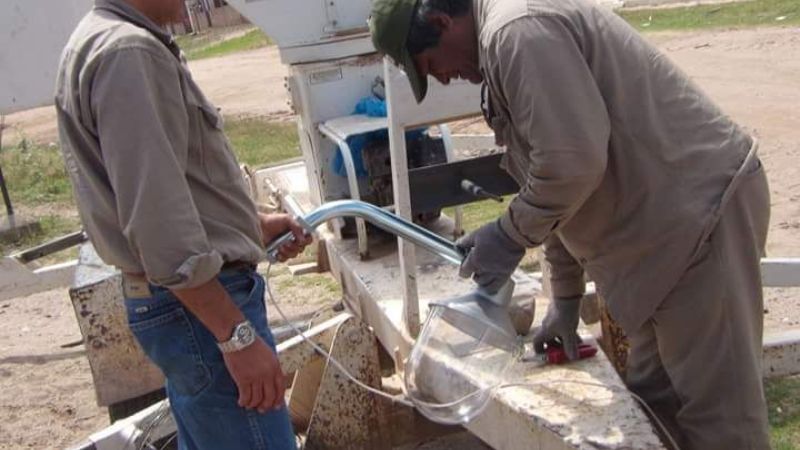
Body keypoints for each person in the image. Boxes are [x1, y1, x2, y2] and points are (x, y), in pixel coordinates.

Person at [369, 0, 771, 448]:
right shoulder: (502, 44)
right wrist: (565, 297)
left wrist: (508, 235)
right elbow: (551, 179)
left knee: (722, 423)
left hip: (697, 222)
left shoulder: (516, 30)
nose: (442, 78)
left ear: (443, 22)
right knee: (656, 407)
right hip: (655, 238)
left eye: (431, 65)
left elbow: (573, 164)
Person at [55, 1, 311, 448]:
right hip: (199, 308)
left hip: (182, 306)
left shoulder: (101, 39)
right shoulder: (129, 53)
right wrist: (236, 337)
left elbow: (167, 186)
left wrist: (250, 225)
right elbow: (157, 220)